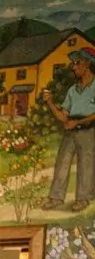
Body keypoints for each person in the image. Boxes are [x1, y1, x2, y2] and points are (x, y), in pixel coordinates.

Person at [42, 47, 95, 213]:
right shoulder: (72, 90)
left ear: (88, 63)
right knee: (62, 162)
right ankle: (56, 198)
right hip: (70, 131)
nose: (73, 66)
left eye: (77, 62)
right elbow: (63, 116)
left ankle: (83, 199)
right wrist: (50, 102)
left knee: (86, 164)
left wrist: (77, 121)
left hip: (88, 130)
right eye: (73, 63)